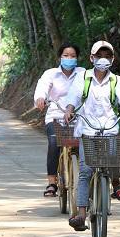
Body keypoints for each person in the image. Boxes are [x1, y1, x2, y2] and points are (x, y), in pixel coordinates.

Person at [63, 40, 120, 231]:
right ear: (92, 58)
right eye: (99, 56)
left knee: (112, 158)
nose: (103, 59)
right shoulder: (84, 77)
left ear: (112, 59)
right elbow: (74, 96)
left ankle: (116, 183)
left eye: (107, 56)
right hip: (88, 129)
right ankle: (81, 215)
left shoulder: (116, 80)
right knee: (86, 171)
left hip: (109, 127)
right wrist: (69, 110)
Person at [34, 43, 86, 197]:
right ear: (60, 57)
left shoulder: (83, 73)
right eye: (66, 55)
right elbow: (42, 87)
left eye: (73, 56)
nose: (69, 58)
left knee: (86, 144)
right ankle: (52, 183)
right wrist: (40, 98)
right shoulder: (50, 74)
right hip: (56, 115)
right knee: (54, 142)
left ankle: (88, 179)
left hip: (78, 116)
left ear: (77, 58)